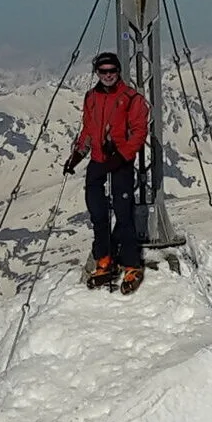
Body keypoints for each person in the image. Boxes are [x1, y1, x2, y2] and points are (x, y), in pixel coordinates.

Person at [63, 52, 149, 294]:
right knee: (98, 213)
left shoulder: (132, 99)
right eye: (103, 71)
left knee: (123, 213)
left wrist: (122, 155)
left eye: (112, 71)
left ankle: (131, 263)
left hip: (120, 161)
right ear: (97, 73)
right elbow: (89, 130)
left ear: (118, 71)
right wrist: (78, 155)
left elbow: (139, 131)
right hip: (99, 160)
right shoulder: (91, 97)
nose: (108, 75)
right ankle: (104, 260)